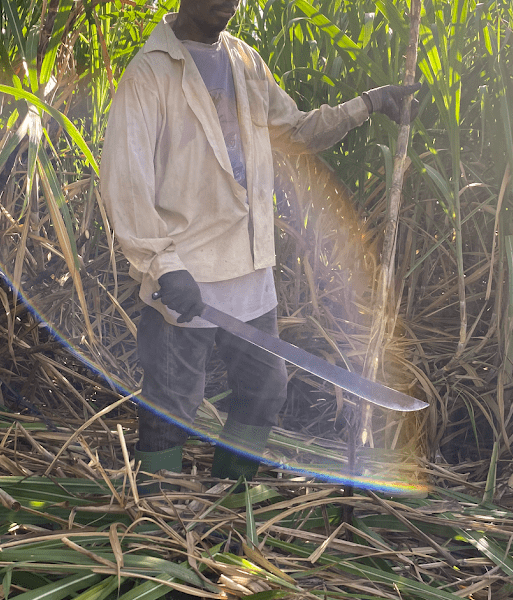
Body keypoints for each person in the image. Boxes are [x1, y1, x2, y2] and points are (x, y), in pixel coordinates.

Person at [100, 0, 419, 484]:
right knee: (172, 404)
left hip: (250, 270)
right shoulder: (150, 74)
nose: (229, 4)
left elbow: (294, 132)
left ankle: (233, 499)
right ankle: (153, 521)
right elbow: (126, 181)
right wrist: (165, 267)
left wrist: (369, 103)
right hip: (186, 280)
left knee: (264, 391)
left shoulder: (244, 61)